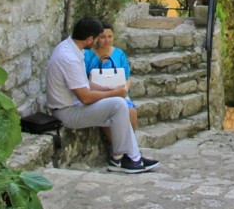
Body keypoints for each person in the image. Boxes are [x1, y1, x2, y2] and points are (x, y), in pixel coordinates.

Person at [45, 17, 159, 174]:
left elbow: (85, 84)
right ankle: (124, 158)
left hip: (74, 105)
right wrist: (114, 93)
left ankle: (129, 157)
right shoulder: (69, 58)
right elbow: (85, 97)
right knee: (118, 104)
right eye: (98, 37)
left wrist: (108, 89)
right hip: (67, 112)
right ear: (90, 38)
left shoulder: (70, 48)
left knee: (120, 106)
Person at [84, 21, 139, 132]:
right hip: (98, 94)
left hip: (119, 93)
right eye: (102, 37)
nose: (107, 40)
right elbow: (84, 79)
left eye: (110, 37)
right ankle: (117, 147)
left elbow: (127, 78)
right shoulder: (87, 55)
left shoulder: (119, 54)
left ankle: (131, 145)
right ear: (96, 38)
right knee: (108, 118)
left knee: (131, 111)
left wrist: (124, 90)